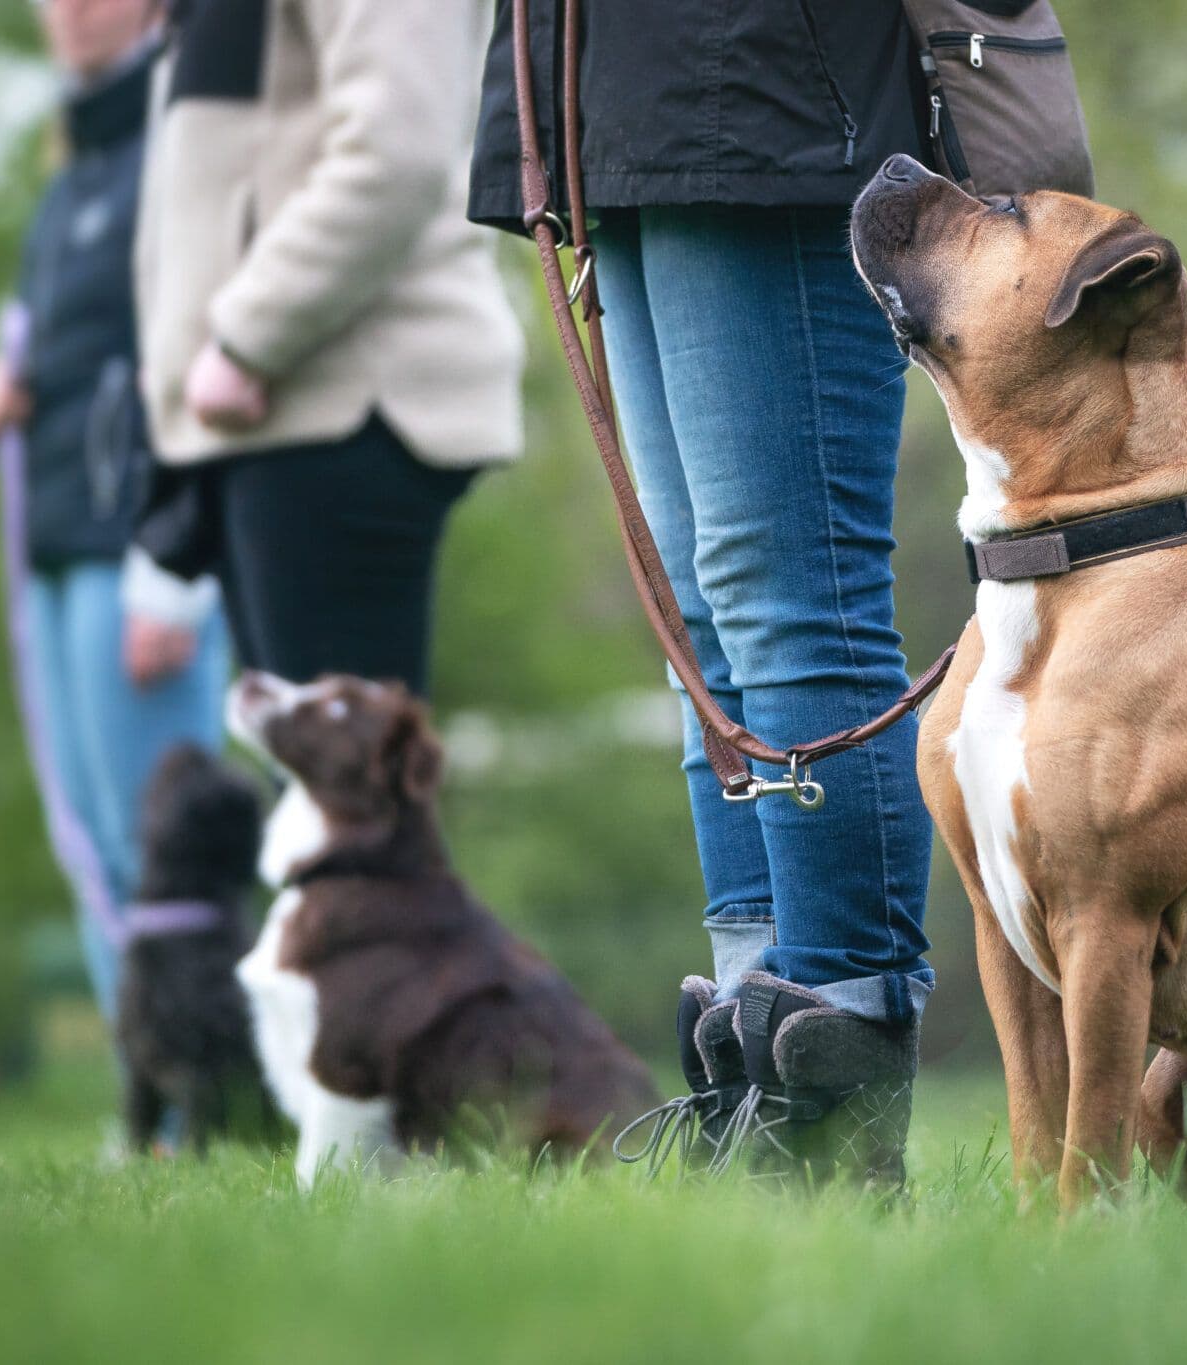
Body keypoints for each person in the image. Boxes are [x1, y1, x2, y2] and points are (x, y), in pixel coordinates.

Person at [470, 1, 935, 1181]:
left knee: (788, 604)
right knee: (704, 633)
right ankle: (754, 1074)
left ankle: (833, 1107)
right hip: (622, 105)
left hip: (756, 94)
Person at [131, 0, 523, 692]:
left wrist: (245, 339)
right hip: (271, 412)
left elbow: (392, 153)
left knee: (350, 789)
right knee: (318, 789)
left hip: (344, 403)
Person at [0, 0, 230, 1026]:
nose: (74, 9)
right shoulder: (70, 174)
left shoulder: (182, 143)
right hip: (54, 545)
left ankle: (207, 1099)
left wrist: (185, 565)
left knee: (157, 846)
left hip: (142, 550)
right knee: (88, 844)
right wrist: (4, 383)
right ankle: (149, 1104)